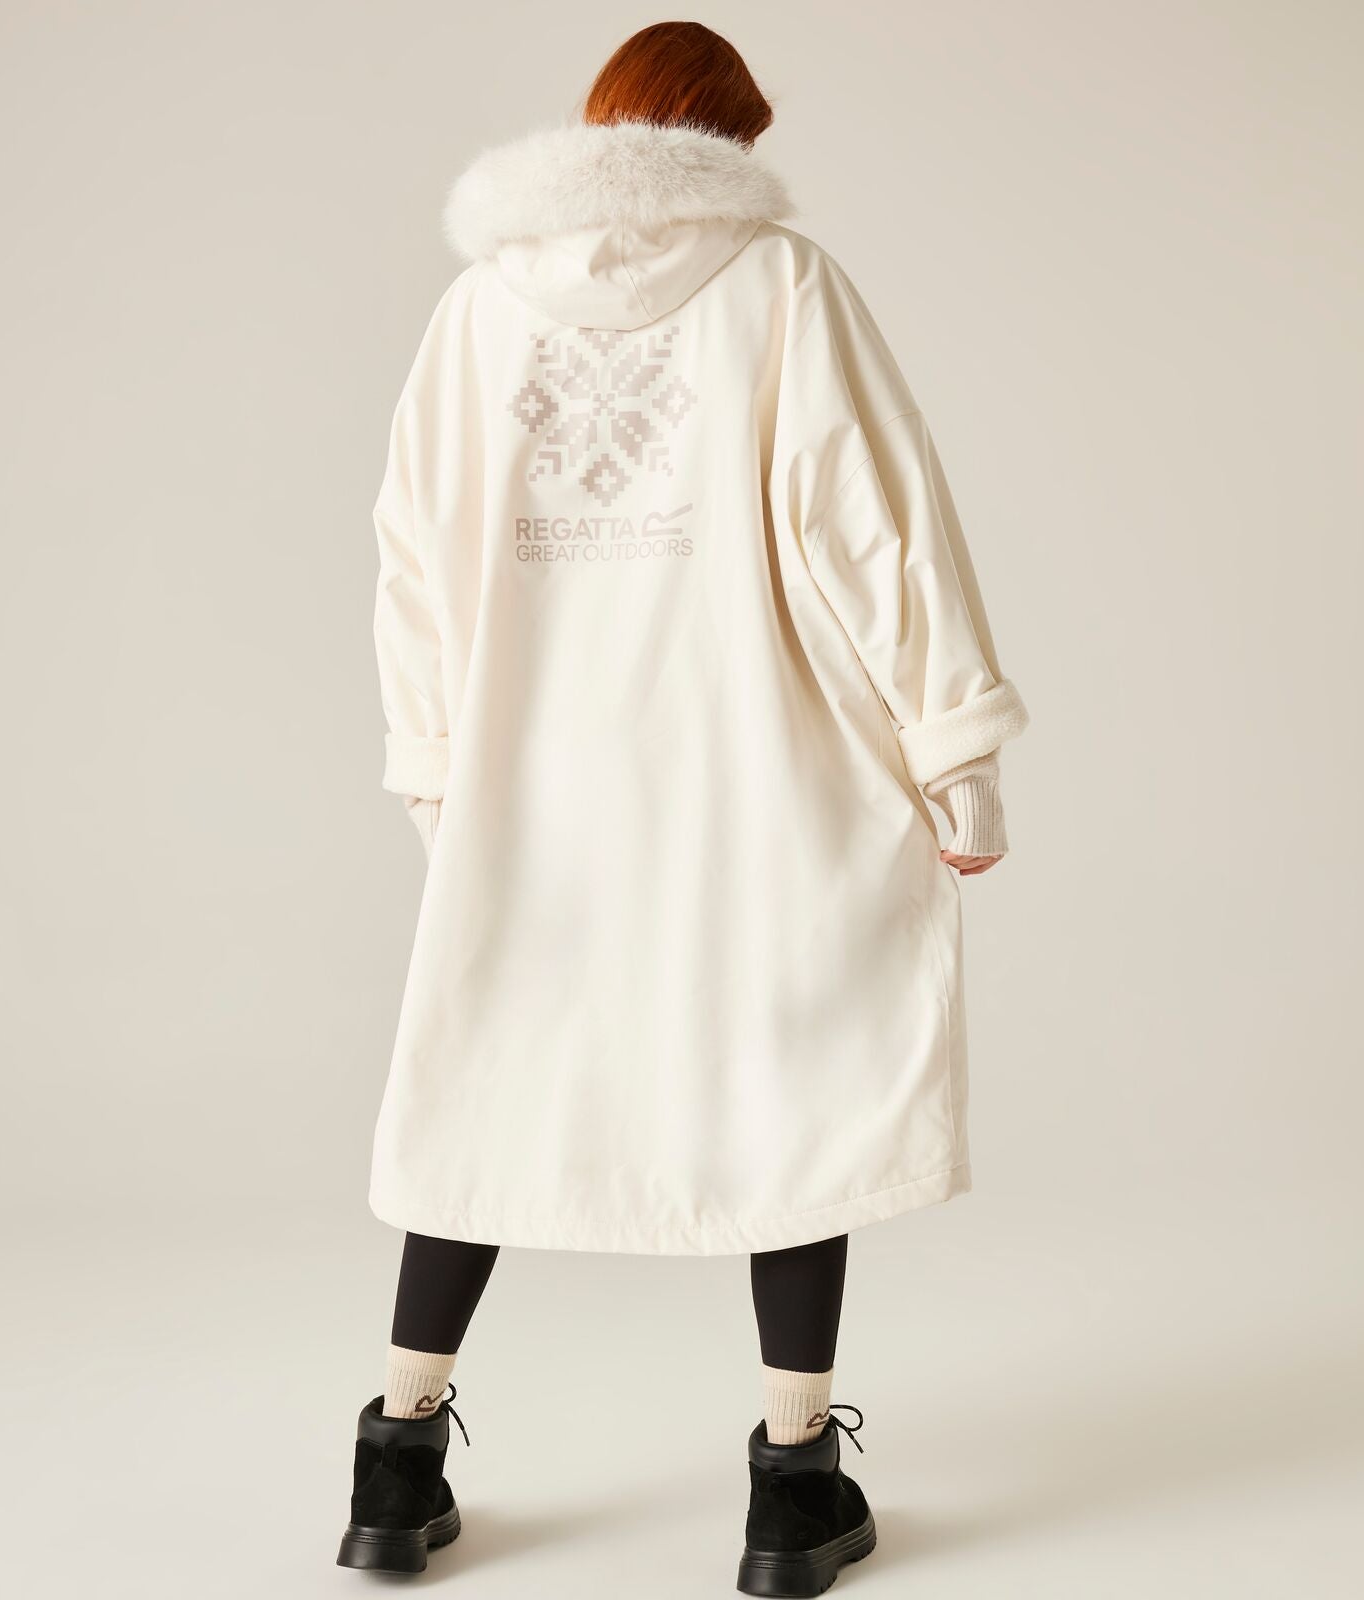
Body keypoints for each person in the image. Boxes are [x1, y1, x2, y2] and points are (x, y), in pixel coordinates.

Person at [338, 21, 1029, 1595]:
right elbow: (882, 523)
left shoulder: (475, 308)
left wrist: (436, 763)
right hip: (754, 764)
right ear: (728, 137)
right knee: (795, 1062)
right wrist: (953, 749)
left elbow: (411, 553)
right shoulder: (781, 286)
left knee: (489, 1075)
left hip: (532, 780)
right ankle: (793, 1485)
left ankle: (397, 1457)